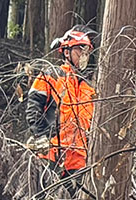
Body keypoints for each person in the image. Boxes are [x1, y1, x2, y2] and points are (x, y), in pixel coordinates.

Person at [28, 27, 96, 175]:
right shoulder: (52, 74)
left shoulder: (89, 86)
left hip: (79, 156)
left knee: (73, 197)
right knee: (46, 194)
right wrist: (40, 135)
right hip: (52, 150)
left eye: (87, 51)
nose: (84, 55)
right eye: (80, 50)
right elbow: (34, 104)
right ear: (66, 52)